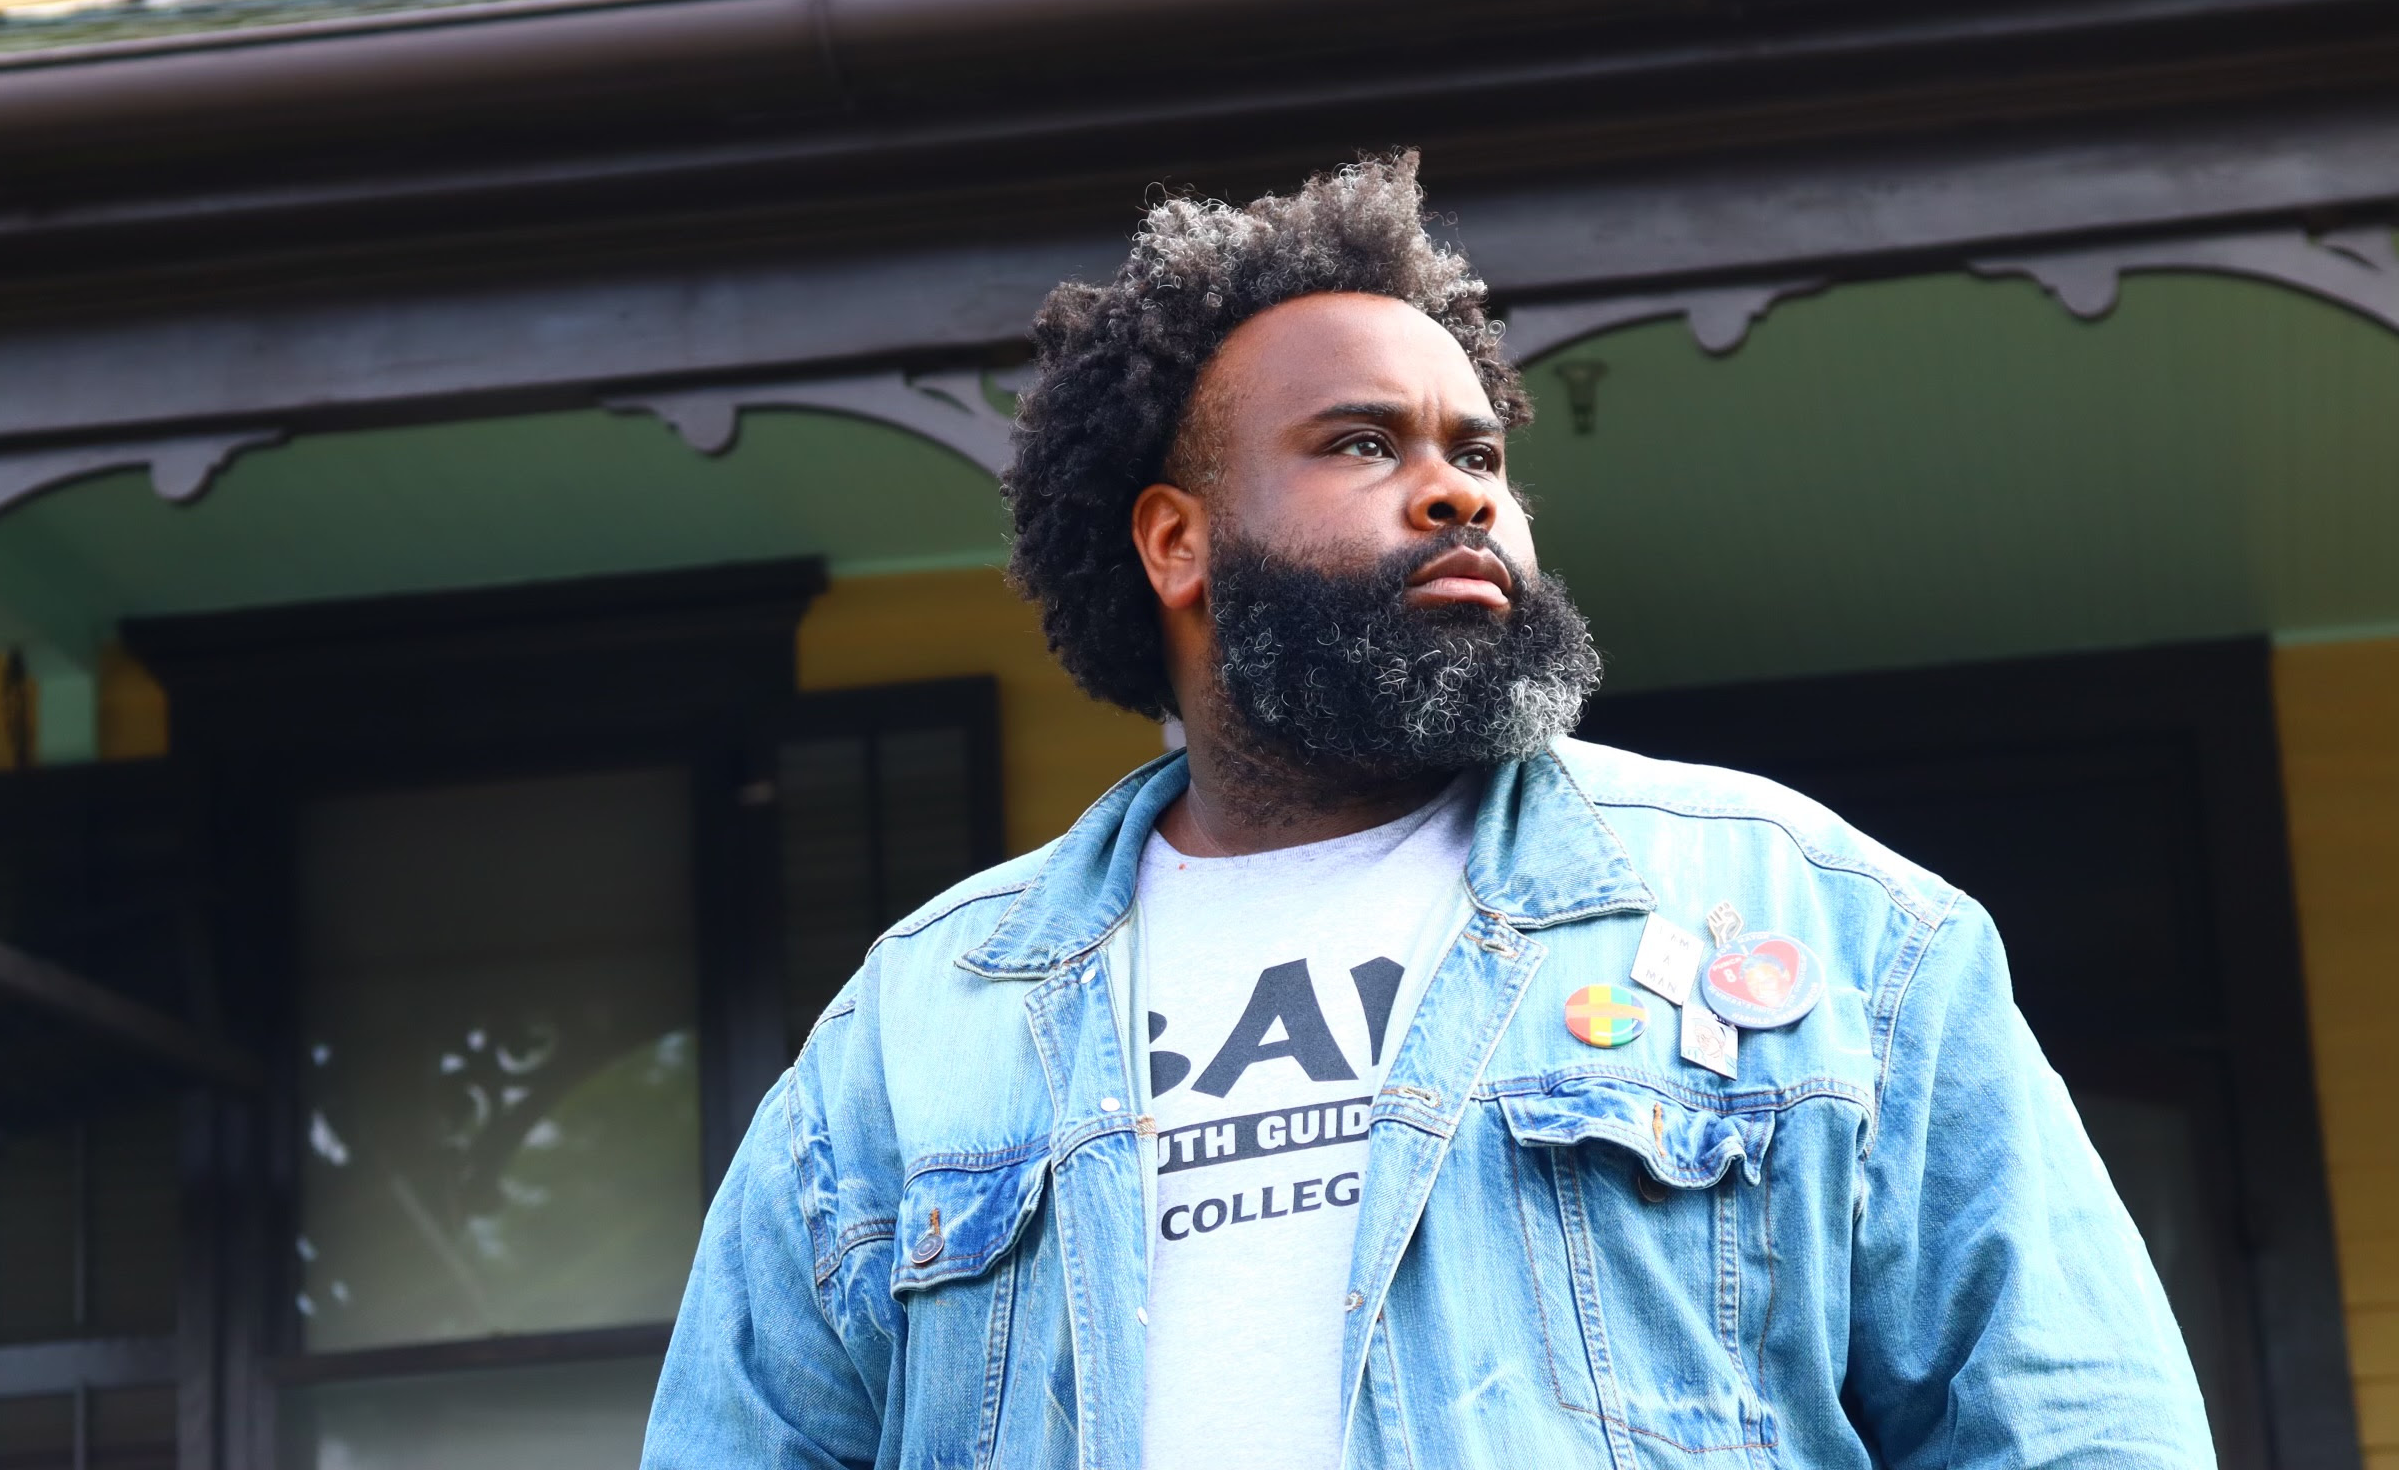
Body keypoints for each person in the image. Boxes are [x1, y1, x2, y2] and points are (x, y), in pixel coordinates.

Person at [644, 154, 2209, 1469]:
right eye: (1362, 445)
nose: (1460, 491)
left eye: (1479, 453)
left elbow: (2078, 1430)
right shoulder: (918, 1031)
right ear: (1177, 542)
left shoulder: (1820, 926)